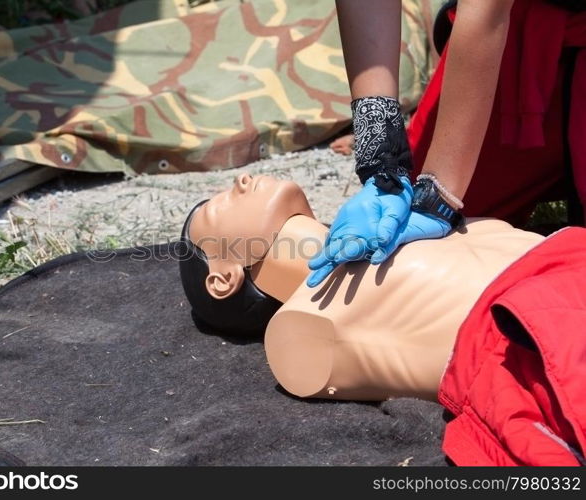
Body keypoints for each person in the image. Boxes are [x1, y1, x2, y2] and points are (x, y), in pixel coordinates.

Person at [179, 174, 544, 400]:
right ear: (224, 278)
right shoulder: (304, 332)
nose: (242, 180)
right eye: (218, 207)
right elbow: (486, 371)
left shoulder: (404, 221)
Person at [309, 0, 586, 287]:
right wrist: (381, 159)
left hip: (504, 20)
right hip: (522, 30)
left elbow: (487, 8)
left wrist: (438, 197)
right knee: (411, 242)